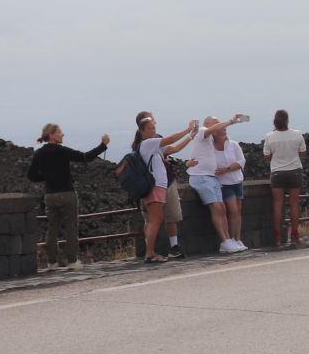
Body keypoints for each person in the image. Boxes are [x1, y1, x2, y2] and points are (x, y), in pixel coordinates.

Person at [27, 123, 111, 270]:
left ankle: (51, 262)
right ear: (52, 135)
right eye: (60, 132)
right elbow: (85, 157)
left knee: (52, 229)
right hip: (67, 193)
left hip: (50, 195)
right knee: (71, 228)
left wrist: (47, 176)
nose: (62, 135)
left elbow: (31, 175)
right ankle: (72, 261)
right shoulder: (62, 151)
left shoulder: (39, 153)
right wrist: (103, 145)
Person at [127, 112, 198, 264]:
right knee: (155, 220)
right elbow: (170, 139)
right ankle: (150, 254)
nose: (153, 131)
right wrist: (187, 129)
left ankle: (151, 253)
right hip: (155, 187)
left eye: (154, 128)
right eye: (150, 128)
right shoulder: (147, 143)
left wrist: (191, 136)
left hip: (159, 187)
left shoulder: (152, 145)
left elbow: (174, 148)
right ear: (142, 131)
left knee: (156, 220)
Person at [185, 117, 249, 253]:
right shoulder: (202, 131)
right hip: (203, 177)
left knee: (222, 208)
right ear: (207, 125)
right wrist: (232, 121)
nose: (219, 126)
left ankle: (229, 241)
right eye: (216, 123)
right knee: (217, 207)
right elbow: (191, 160)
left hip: (213, 178)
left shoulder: (212, 142)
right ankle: (225, 240)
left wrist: (189, 163)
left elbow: (193, 158)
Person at [263, 111, 307, 248]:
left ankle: (277, 236)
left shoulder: (270, 136)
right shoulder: (297, 134)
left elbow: (266, 157)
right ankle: (294, 235)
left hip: (277, 172)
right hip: (294, 171)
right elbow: (303, 153)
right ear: (287, 120)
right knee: (294, 204)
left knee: (277, 205)